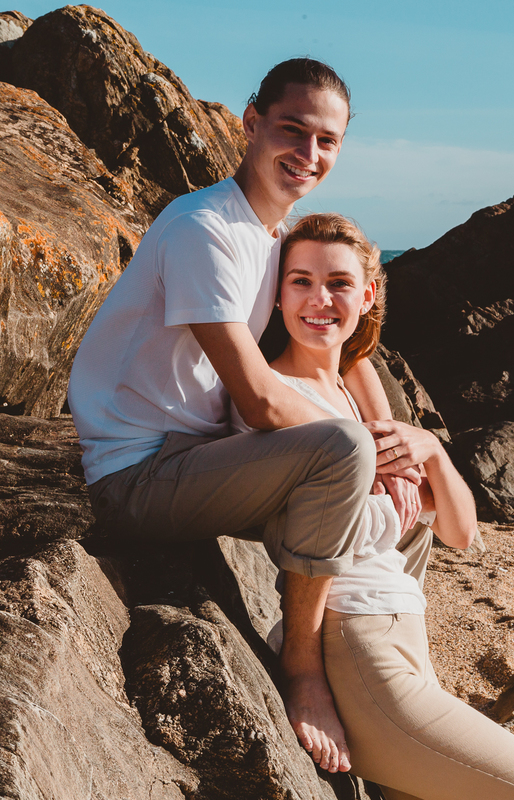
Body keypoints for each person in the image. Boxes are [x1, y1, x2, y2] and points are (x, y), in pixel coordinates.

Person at [67, 58, 422, 774]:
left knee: (405, 497)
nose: (308, 153)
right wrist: (365, 447)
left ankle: (391, 660)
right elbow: (257, 398)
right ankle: (305, 670)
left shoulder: (272, 235)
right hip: (140, 473)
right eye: (292, 130)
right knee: (346, 454)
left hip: (204, 460)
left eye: (327, 141)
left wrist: (393, 444)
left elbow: (347, 344)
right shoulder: (203, 229)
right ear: (251, 123)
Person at [240, 212, 514, 800]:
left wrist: (430, 448)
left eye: (339, 283)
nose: (319, 299)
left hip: (406, 634)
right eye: (300, 281)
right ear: (277, 296)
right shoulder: (275, 400)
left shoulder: (351, 393)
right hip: (354, 643)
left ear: (367, 295)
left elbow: (460, 532)